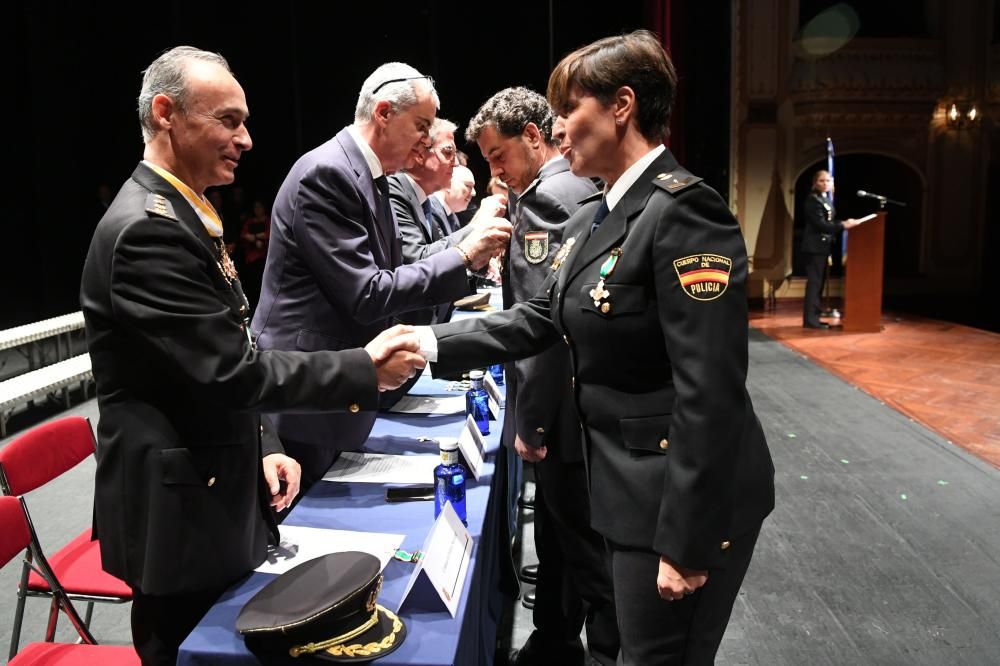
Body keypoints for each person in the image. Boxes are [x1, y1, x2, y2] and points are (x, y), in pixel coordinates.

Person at [418, 31, 774, 665]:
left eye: (567, 111)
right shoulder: (598, 214)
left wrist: (687, 540)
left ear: (622, 106)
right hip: (621, 489)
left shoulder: (686, 213)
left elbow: (710, 389)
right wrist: (425, 341)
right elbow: (538, 320)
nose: (556, 131)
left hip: (676, 501)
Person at [80, 46, 424, 665]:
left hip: (213, 484)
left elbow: (227, 350)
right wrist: (362, 368)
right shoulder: (147, 230)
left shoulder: (185, 214)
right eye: (228, 120)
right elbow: (231, 370)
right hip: (179, 515)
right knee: (189, 648)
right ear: (166, 114)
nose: (245, 138)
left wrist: (264, 445)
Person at [252, 62, 511, 492]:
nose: (427, 140)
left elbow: (393, 273)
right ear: (384, 113)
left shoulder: (371, 177)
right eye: (421, 125)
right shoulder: (328, 173)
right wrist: (464, 256)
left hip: (337, 388)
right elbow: (368, 292)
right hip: (307, 394)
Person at [465, 86, 616, 666]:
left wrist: (530, 421)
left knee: (581, 547)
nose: (494, 169)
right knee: (567, 540)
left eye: (499, 154)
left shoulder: (546, 199)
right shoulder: (579, 187)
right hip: (587, 403)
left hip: (561, 411)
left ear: (534, 136)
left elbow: (544, 329)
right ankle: (556, 637)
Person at [801, 169, 858, 329]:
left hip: (823, 246)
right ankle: (810, 320)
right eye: (822, 181)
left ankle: (815, 316)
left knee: (818, 284)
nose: (825, 183)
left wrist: (844, 222)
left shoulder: (824, 198)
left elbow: (829, 220)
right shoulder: (812, 200)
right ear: (815, 183)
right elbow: (820, 224)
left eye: (828, 181)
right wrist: (842, 225)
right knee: (814, 284)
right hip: (814, 247)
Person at [239, 199, 271, 309]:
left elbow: (270, 233)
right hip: (251, 258)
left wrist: (255, 237)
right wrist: (255, 240)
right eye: (255, 207)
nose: (257, 210)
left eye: (259, 207)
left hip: (265, 258)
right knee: (253, 286)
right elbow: (244, 235)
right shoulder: (250, 222)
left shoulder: (268, 220)